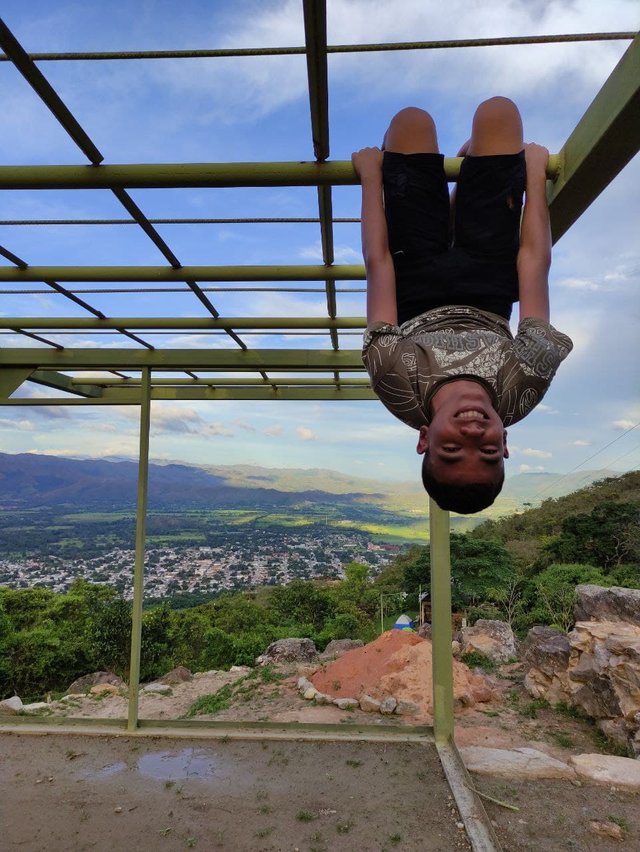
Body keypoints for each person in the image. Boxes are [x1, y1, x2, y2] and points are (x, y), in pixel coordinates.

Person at [352, 97, 573, 514]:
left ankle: (453, 186)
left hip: (414, 281)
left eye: (452, 448)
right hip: (488, 284)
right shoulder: (524, 386)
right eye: (488, 452)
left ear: (423, 438)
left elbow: (378, 263)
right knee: (499, 113)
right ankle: (466, 184)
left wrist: (370, 177)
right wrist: (535, 175)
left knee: (412, 121)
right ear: (505, 444)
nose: (473, 433)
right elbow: (533, 263)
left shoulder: (394, 383)